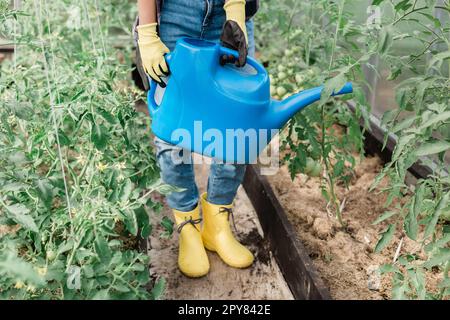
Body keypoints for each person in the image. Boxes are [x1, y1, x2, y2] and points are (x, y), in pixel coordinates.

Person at [134, 0, 258, 277]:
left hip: (225, 15)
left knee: (235, 129)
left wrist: (236, 8)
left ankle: (217, 227)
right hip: (174, 14)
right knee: (172, 133)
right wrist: (147, 32)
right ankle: (188, 227)